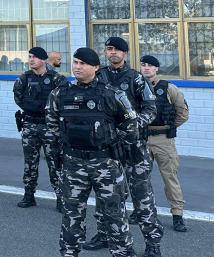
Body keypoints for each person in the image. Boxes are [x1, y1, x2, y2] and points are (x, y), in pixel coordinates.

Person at [47, 47, 138, 257]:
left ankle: (123, 252)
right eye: (75, 62)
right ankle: (69, 252)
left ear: (96, 67)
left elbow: (131, 128)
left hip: (105, 164)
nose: (77, 67)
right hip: (73, 164)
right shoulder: (60, 93)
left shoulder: (112, 94)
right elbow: (51, 125)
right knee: (71, 215)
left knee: (114, 215)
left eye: (83, 63)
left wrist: (110, 143)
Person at [83, 37, 162, 256]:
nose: (113, 53)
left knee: (142, 196)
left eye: (117, 50)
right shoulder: (98, 77)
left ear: (125, 53)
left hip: (133, 147)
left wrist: (132, 125)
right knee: (105, 195)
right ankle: (104, 234)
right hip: (106, 148)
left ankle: (153, 243)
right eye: (109, 49)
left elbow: (150, 109)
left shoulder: (136, 78)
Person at [13, 46, 69, 211]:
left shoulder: (56, 79)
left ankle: (61, 199)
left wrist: (50, 114)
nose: (31, 60)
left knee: (55, 164)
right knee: (30, 163)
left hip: (50, 126)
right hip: (30, 125)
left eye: (34, 57)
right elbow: (18, 96)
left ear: (43, 60)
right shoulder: (24, 78)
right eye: (29, 56)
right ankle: (29, 195)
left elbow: (64, 99)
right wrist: (32, 108)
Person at [141, 55, 189, 233]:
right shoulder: (135, 87)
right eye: (143, 65)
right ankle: (141, 211)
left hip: (164, 139)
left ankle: (177, 215)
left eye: (150, 66)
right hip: (142, 138)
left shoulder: (169, 88)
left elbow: (182, 113)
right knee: (140, 179)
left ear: (156, 69)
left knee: (170, 178)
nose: (146, 68)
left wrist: (169, 127)